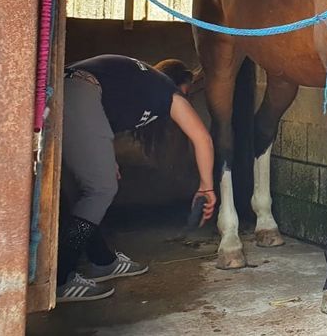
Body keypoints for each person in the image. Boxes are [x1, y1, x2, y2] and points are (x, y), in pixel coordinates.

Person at [56, 54, 217, 303]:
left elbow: (101, 120)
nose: (186, 101)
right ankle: (59, 279)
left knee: (91, 188)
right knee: (101, 189)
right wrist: (206, 186)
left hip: (65, 88)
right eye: (186, 93)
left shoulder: (137, 86)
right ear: (178, 85)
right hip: (79, 90)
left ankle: (103, 261)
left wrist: (108, 160)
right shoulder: (166, 89)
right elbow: (202, 137)